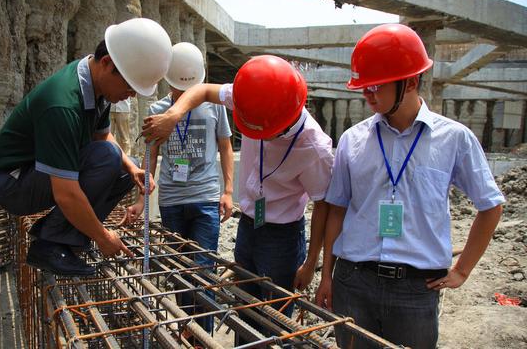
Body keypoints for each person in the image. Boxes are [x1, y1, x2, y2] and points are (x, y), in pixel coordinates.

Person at [315, 24, 505, 348]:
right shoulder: (353, 140)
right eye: (363, 87)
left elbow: (490, 206)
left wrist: (462, 269)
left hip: (416, 291)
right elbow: (337, 210)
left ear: (411, 82)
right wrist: (327, 275)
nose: (367, 94)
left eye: (374, 86)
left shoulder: (454, 139)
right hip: (354, 283)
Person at [142, 55, 333, 342]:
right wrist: (175, 114)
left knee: (273, 318)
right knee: (245, 308)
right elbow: (203, 90)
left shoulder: (313, 147)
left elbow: (324, 206)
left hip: (281, 236)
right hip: (248, 224)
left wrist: (311, 262)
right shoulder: (253, 95)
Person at [0, 18, 172, 276]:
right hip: (13, 182)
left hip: (36, 173)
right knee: (108, 158)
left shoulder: (98, 89)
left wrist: (132, 169)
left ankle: (65, 239)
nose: (131, 95)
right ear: (107, 63)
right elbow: (66, 193)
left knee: (120, 167)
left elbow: (102, 137)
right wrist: (104, 238)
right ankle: (49, 246)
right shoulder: (62, 104)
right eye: (130, 86)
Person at [123, 42, 234, 334]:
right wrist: (139, 200)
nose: (184, 95)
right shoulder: (158, 110)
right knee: (178, 272)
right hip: (171, 200)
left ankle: (202, 336)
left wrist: (228, 191)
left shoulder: (214, 106)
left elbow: (225, 145)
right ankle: (186, 329)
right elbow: (151, 153)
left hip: (205, 197)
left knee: (203, 270)